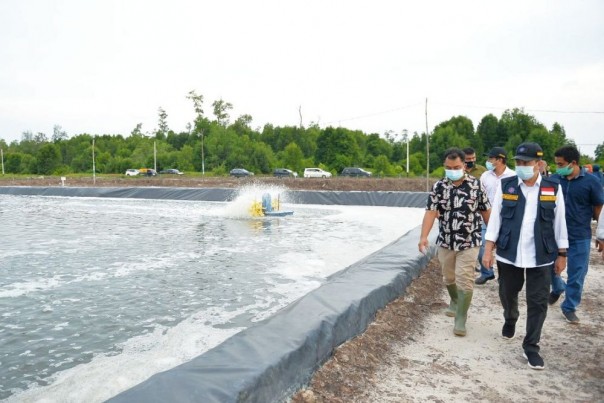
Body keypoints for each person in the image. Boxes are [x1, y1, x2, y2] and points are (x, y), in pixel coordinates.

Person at [483, 142, 568, 370]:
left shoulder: (552, 188)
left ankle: (531, 346)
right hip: (510, 253)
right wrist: (488, 249)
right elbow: (496, 220)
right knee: (507, 293)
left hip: (541, 255)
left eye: (526, 163)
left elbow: (559, 223)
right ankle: (510, 318)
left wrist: (562, 254)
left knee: (538, 302)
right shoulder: (507, 185)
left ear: (539, 164)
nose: (522, 166)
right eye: (518, 162)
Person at [419, 148, 491, 337]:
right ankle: (455, 300)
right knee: (448, 277)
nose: (453, 170)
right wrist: (423, 236)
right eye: (448, 167)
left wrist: (492, 239)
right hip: (446, 240)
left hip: (470, 240)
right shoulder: (439, 187)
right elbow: (430, 212)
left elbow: (486, 212)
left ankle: (461, 317)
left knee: (464, 278)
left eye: (456, 167)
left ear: (464, 166)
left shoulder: (476, 185)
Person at [549, 145, 604, 323]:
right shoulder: (555, 179)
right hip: (554, 234)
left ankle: (569, 306)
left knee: (577, 273)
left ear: (573, 163)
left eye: (561, 164)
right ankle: (557, 288)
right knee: (549, 267)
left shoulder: (591, 182)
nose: (558, 167)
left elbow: (598, 208)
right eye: (556, 164)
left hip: (579, 234)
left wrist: (601, 234)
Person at [475, 147, 516, 284]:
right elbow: (479, 196)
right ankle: (487, 272)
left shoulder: (513, 176)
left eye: (490, 158)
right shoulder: (485, 176)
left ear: (499, 160)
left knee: (504, 248)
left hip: (506, 218)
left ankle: (503, 276)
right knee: (482, 245)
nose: (488, 161)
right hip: (486, 217)